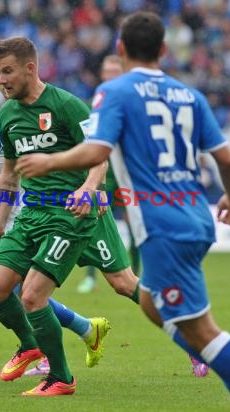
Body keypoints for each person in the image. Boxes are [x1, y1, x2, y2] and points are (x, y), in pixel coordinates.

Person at [15, 12, 230, 412]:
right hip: (197, 217)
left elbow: (97, 151)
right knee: (151, 303)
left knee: (202, 330)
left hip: (163, 227)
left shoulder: (116, 92)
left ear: (120, 49)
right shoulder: (190, 96)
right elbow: (229, 162)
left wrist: (48, 163)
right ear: (164, 50)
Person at [0, 74, 135, 383]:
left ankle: (23, 351)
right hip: (5, 226)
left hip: (33, 220)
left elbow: (51, 154)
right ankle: (86, 329)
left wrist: (89, 186)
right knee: (4, 295)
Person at [77, 54, 143, 296]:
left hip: (128, 172)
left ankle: (136, 274)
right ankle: (91, 278)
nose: (113, 74)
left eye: (117, 71)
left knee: (135, 223)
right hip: (101, 170)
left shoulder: (133, 102)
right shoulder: (94, 103)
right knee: (93, 221)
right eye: (109, 71)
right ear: (103, 74)